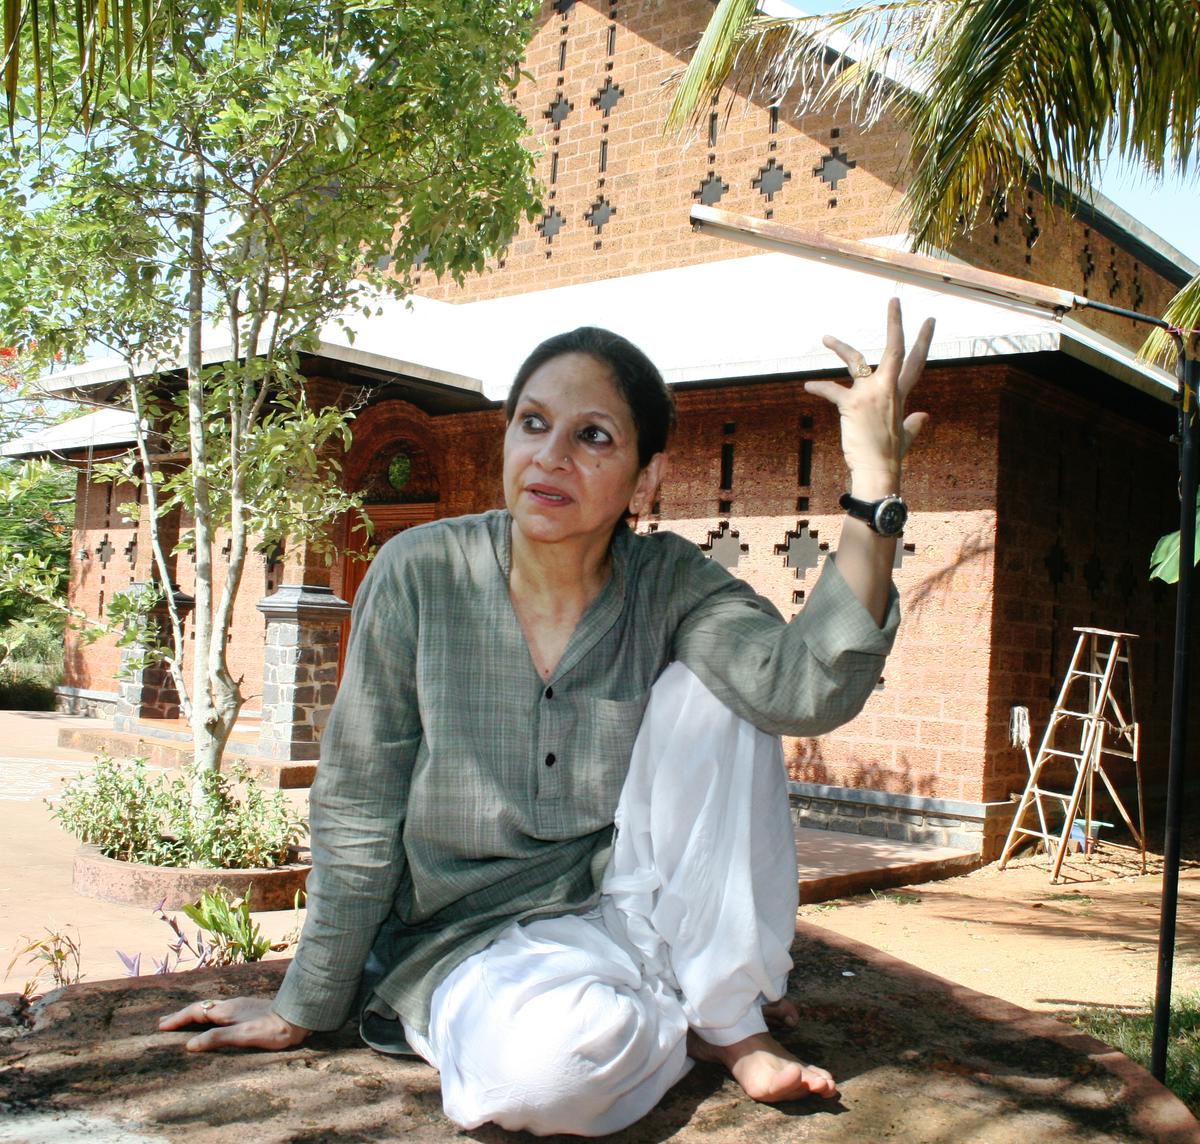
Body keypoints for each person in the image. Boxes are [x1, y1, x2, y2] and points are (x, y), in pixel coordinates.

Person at [160, 299, 934, 1136]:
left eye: (593, 435)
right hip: (468, 945)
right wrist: (306, 1000)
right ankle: (692, 1016)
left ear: (646, 480)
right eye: (533, 423)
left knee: (719, 694)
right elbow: (359, 800)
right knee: (546, 1080)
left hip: (632, 909)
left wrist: (874, 489)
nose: (551, 456)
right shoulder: (422, 572)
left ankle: (722, 1014)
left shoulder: (669, 582)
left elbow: (800, 689)